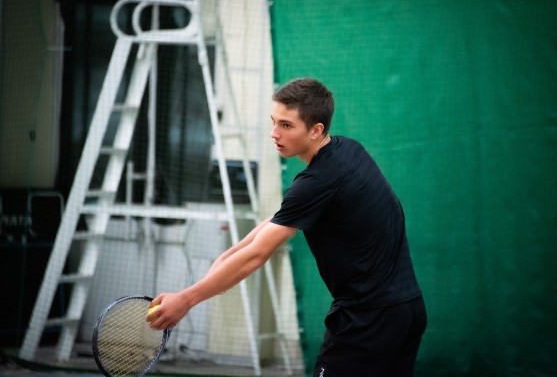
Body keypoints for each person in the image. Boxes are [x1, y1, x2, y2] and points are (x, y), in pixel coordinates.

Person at [147, 77, 427, 376]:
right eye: (274, 122)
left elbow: (258, 254)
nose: (274, 133)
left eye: (286, 125)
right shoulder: (349, 151)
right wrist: (227, 256)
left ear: (316, 130)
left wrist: (186, 299)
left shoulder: (316, 182)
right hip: (408, 309)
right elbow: (280, 219)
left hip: (369, 320)